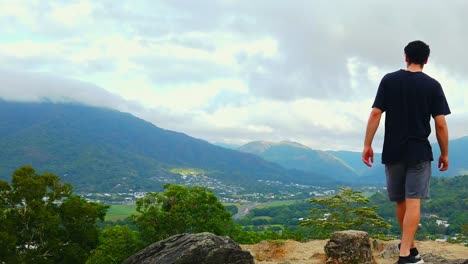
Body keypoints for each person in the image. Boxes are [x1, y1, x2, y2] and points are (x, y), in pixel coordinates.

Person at [362, 40, 450, 264]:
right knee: (414, 202)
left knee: (401, 201)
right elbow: (440, 124)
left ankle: (409, 248)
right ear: (426, 60)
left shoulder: (389, 80)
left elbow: (375, 114)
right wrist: (445, 153)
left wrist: (367, 145)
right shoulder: (432, 85)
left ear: (405, 57)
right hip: (419, 152)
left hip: (392, 151)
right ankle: (405, 256)